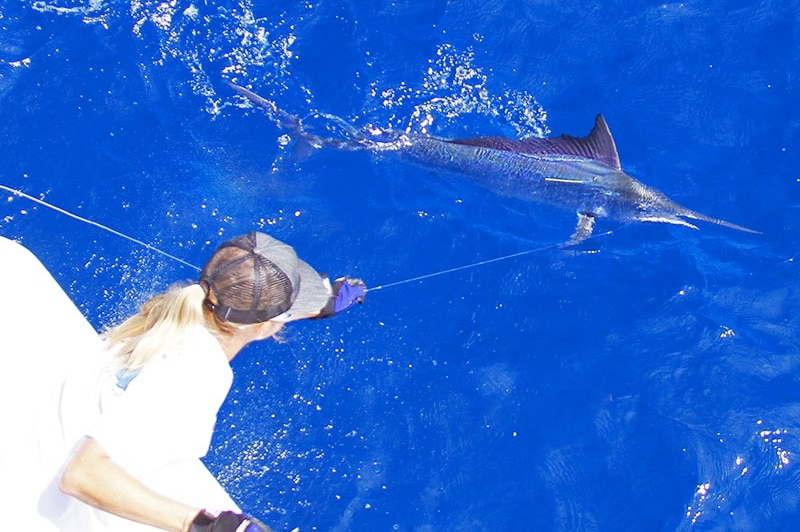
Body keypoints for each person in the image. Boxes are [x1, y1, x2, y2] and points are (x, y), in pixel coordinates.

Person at [0, 231, 365, 531]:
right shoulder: (196, 376)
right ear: (265, 327)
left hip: (24, 463)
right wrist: (206, 525)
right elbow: (82, 476)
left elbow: (253, 306)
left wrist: (324, 300)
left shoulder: (172, 315)